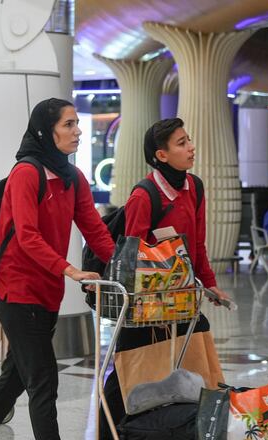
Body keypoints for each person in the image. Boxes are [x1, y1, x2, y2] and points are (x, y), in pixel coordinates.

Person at [0, 98, 116, 440]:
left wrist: (123, 266)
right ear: (45, 132)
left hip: (47, 292)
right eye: (68, 124)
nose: (77, 131)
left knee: (17, 374)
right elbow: (26, 236)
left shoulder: (73, 177)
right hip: (15, 289)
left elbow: (94, 230)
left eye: (77, 123)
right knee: (43, 378)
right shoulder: (26, 173)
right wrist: (70, 269)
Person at [99, 118, 231, 438]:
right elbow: (134, 257)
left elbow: (197, 244)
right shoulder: (144, 196)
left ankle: (205, 429)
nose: (191, 147)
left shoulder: (194, 186)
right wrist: (147, 304)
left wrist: (209, 283)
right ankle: (109, 433)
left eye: (189, 140)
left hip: (182, 297)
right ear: (161, 155)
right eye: (182, 143)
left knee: (203, 366)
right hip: (145, 304)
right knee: (128, 374)